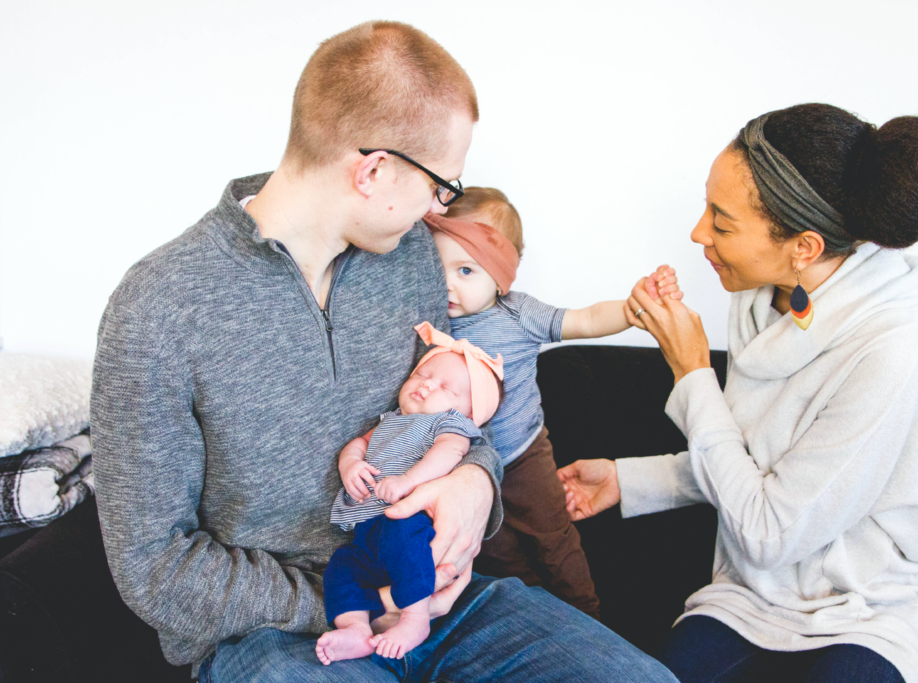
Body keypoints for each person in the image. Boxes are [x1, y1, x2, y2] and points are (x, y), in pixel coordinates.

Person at [91, 20, 676, 683]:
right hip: (280, 636)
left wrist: (476, 483)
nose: (439, 208)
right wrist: (350, 602)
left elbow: (460, 420)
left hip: (445, 605)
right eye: (440, 187)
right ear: (372, 171)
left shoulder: (409, 264)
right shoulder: (160, 305)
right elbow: (154, 566)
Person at [559, 103, 918, 683]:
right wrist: (631, 480)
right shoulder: (759, 296)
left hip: (867, 611)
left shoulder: (894, 346)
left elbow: (772, 532)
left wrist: (693, 372)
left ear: (804, 247)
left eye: (721, 223)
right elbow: (755, 464)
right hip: (748, 598)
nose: (699, 233)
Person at [423, 187, 680, 620]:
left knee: (553, 539)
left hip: (525, 457)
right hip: (466, 471)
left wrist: (634, 306)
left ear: (503, 274)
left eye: (466, 270)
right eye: (437, 266)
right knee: (498, 556)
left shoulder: (518, 314)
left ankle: (588, 616)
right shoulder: (427, 322)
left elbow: (586, 318)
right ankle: (538, 617)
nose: (448, 283)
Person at [317, 323, 503, 663]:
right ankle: (357, 629)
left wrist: (408, 481)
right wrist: (350, 464)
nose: (427, 384)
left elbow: (449, 454)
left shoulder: (450, 424)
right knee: (342, 566)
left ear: (470, 415)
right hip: (366, 534)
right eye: (423, 374)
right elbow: (359, 444)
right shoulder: (391, 420)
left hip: (409, 521)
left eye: (445, 386)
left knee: (406, 545)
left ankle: (415, 619)